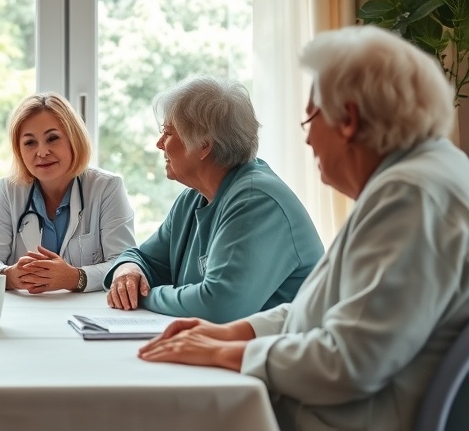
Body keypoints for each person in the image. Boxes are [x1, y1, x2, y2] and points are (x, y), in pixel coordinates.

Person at [138, 26, 469, 431]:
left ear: (347, 119)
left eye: (310, 116)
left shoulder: (412, 196)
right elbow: (327, 310)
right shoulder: (420, 177)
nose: (308, 137)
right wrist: (236, 332)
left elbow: (350, 362)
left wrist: (230, 354)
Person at [105, 76, 323, 323]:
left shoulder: (256, 202)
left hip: (277, 354)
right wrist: (128, 271)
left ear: (204, 145)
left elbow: (218, 306)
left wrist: (145, 296)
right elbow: (145, 259)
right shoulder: (193, 198)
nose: (159, 144)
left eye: (167, 133)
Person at [0, 93, 136, 293]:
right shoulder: (9, 190)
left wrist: (74, 278)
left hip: (86, 311)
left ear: (74, 139)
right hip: (26, 310)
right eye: (30, 142)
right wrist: (8, 276)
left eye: (52, 138)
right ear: (19, 151)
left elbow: (124, 264)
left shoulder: (106, 187)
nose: (42, 152)